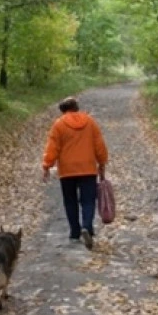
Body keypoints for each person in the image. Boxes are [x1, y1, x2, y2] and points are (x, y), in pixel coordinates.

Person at [42, 96, 108, 249]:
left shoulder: (59, 125)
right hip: (88, 168)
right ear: (76, 108)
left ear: (63, 111)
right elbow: (99, 144)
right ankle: (87, 227)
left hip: (67, 170)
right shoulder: (90, 122)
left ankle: (74, 232)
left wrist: (47, 165)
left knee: (70, 201)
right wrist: (102, 162)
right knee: (88, 200)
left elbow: (53, 147)